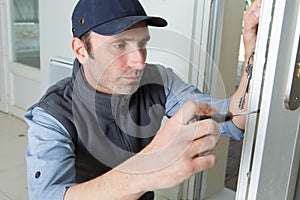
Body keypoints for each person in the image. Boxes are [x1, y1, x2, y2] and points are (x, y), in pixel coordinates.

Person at [25, 0, 261, 199]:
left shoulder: (159, 80)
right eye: (119, 45)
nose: (139, 61)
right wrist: (147, 168)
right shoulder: (52, 115)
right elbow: (49, 195)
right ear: (81, 50)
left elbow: (232, 119)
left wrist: (253, 54)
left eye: (142, 44)